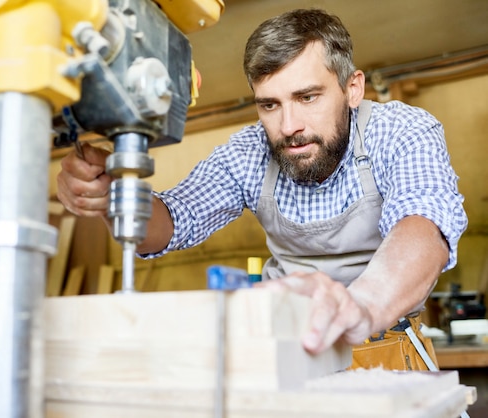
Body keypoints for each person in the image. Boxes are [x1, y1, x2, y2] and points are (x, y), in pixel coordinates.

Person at [57, 9, 467, 368]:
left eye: (307, 97)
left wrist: (360, 307)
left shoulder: (402, 131)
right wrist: (113, 195)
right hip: (291, 353)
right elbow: (173, 219)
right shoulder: (249, 151)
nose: (289, 126)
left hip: (388, 344)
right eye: (269, 104)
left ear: (352, 88)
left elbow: (423, 225)